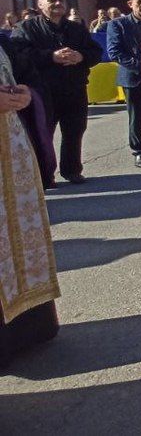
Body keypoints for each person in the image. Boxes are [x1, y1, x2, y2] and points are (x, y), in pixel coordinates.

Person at [0, 41, 61, 364]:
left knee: (18, 235)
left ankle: (27, 328)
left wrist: (25, 93)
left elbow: (27, 73)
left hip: (9, 143)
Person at [12, 0, 102, 184]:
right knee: (43, 133)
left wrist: (81, 56)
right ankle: (44, 175)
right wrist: (51, 57)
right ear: (40, 4)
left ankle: (72, 170)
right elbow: (20, 56)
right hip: (43, 91)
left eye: (61, 0)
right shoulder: (25, 28)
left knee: (75, 131)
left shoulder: (76, 28)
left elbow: (95, 52)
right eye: (52, 0)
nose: (58, 3)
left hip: (74, 89)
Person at [106, 0, 141, 169]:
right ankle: (139, 151)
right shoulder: (118, 25)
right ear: (130, 4)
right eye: (139, 2)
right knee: (136, 118)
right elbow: (115, 52)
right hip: (133, 78)